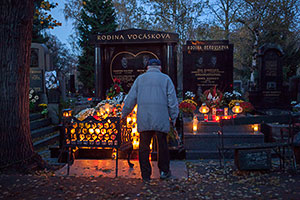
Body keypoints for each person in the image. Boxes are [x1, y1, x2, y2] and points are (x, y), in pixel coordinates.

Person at [121, 59, 179, 182]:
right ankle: (164, 171)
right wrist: (174, 117)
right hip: (161, 117)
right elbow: (172, 100)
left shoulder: (140, 79)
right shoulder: (166, 79)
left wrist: (124, 114)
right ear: (160, 67)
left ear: (147, 67)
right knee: (162, 145)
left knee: (144, 147)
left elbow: (131, 99)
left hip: (145, 117)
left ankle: (146, 175)